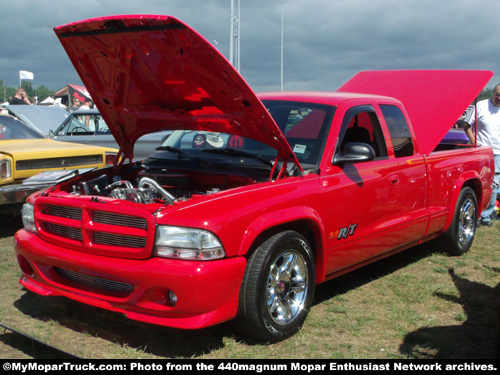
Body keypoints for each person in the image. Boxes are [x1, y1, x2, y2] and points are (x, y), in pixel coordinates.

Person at [464, 83, 500, 226]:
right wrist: (475, 142)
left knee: (495, 184)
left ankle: (486, 216)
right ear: (493, 93)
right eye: (497, 94)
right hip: (482, 152)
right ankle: (475, 214)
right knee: (479, 182)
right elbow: (466, 125)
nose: (498, 97)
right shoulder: (481, 105)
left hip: (498, 153)